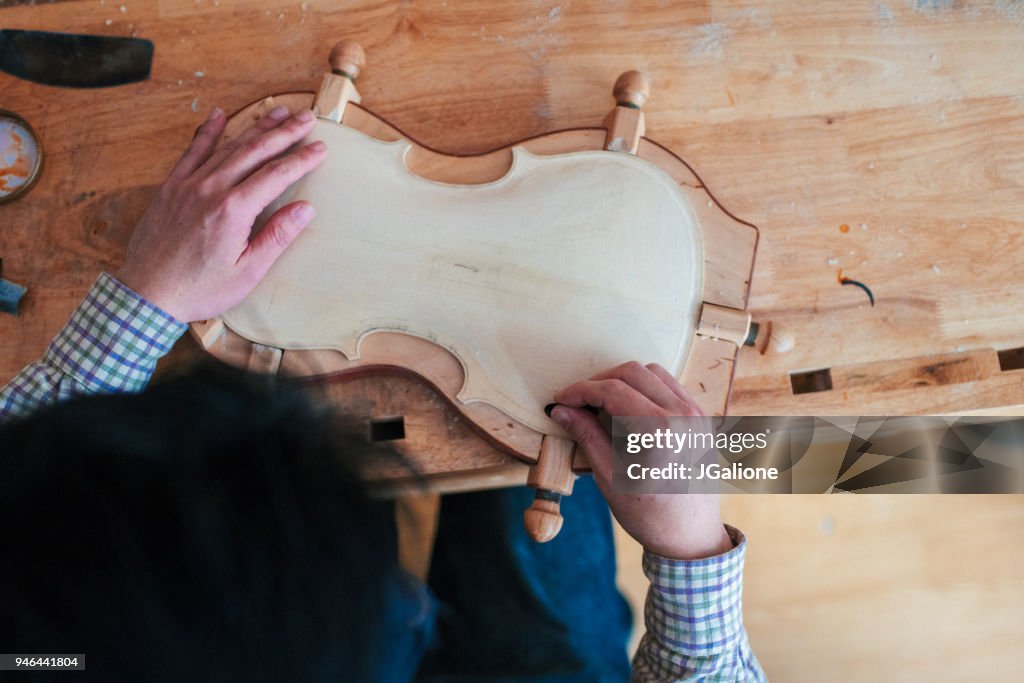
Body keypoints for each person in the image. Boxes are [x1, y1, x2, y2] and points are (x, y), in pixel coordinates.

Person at [0, 106, 766, 682]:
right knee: (537, 565)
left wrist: (145, 299)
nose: (415, 599)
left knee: (520, 424)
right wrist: (690, 546)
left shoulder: (38, 646)